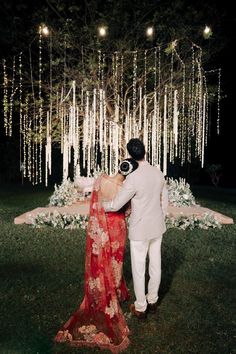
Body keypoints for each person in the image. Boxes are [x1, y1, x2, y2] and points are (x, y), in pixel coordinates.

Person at [54, 158, 138, 353]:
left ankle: (101, 289)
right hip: (117, 226)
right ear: (129, 173)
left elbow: (94, 200)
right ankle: (114, 292)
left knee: (102, 260)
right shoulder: (126, 188)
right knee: (115, 261)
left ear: (118, 165)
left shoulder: (101, 180)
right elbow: (127, 211)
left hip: (101, 226)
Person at [103, 138, 168, 320]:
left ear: (130, 155)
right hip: (157, 226)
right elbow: (165, 202)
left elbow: (116, 205)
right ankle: (153, 300)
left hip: (140, 228)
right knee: (156, 264)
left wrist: (100, 206)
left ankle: (140, 307)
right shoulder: (158, 173)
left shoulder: (133, 178)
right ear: (145, 151)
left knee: (139, 268)